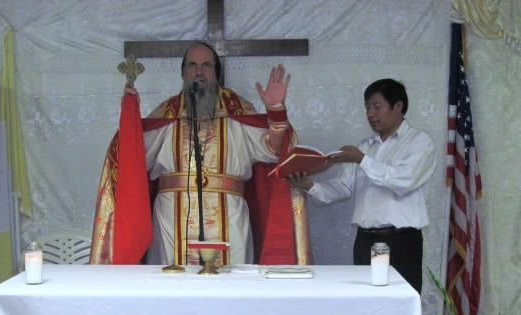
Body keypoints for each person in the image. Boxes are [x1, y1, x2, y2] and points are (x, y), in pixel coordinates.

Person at [91, 42, 308, 266]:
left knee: (231, 282)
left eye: (206, 65)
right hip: (171, 219)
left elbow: (273, 149)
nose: (199, 72)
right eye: (192, 65)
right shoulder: (166, 114)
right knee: (172, 282)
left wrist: (276, 111)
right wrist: (130, 116)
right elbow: (132, 155)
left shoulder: (237, 111)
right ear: (183, 72)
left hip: (229, 216)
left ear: (216, 72)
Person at [288, 78, 435, 292]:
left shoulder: (419, 141)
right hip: (366, 240)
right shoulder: (366, 146)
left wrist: (362, 160)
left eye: (376, 106)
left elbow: (405, 180)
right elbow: (343, 187)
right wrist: (309, 185)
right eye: (367, 108)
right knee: (368, 301)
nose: (370, 114)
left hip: (401, 241)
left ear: (398, 106)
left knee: (400, 300)